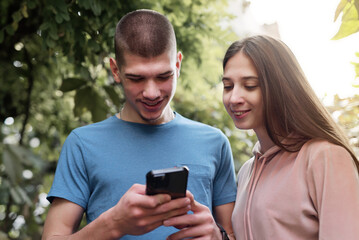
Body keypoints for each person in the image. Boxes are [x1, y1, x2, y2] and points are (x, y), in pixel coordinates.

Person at [42, 9, 237, 240]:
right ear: (116, 70)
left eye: (164, 76)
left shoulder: (215, 143)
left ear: (178, 65)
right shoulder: (82, 144)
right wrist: (115, 223)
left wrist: (218, 236)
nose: (152, 93)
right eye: (137, 78)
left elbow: (234, 234)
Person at [221, 35, 359, 240]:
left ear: (280, 86)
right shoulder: (246, 172)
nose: (234, 98)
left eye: (250, 85)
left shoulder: (326, 157)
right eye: (228, 86)